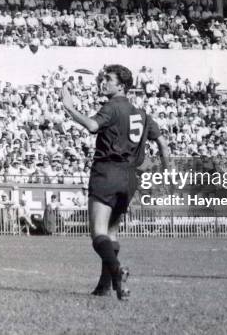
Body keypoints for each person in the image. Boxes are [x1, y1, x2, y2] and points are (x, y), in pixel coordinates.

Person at [61, 64, 169, 299]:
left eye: (108, 79)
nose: (103, 82)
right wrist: (166, 171)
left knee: (98, 233)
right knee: (112, 233)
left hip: (107, 172)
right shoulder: (142, 114)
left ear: (121, 86)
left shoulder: (112, 107)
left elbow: (91, 126)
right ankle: (105, 287)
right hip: (130, 178)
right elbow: (162, 144)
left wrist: (69, 108)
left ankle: (117, 271)